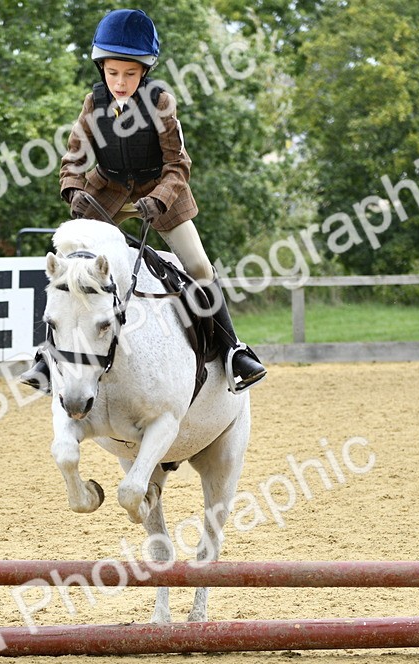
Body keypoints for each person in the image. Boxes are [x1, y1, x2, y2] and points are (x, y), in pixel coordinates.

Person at [20, 8, 266, 395]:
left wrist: (158, 200)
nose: (120, 82)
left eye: (130, 74)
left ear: (145, 72)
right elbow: (74, 157)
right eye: (113, 72)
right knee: (71, 267)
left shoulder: (162, 102)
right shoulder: (93, 103)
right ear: (102, 68)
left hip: (162, 192)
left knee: (199, 266)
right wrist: (73, 188)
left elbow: (178, 164)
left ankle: (234, 351)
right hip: (110, 193)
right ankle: (49, 358)